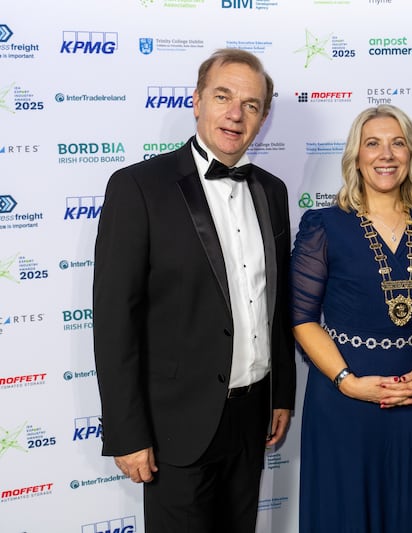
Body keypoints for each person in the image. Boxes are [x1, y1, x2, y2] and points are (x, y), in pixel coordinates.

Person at [93, 48, 296, 533]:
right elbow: (115, 319)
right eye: (223, 96)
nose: (235, 113)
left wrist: (281, 394)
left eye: (251, 104)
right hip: (175, 428)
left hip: (252, 418)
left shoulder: (272, 191)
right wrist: (127, 432)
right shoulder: (138, 186)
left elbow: (278, 303)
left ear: (263, 117)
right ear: (197, 101)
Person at [290, 104, 412, 532]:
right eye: (373, 143)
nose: (386, 154)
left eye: (397, 142)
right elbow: (302, 317)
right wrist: (349, 382)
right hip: (344, 397)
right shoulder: (323, 225)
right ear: (356, 156)